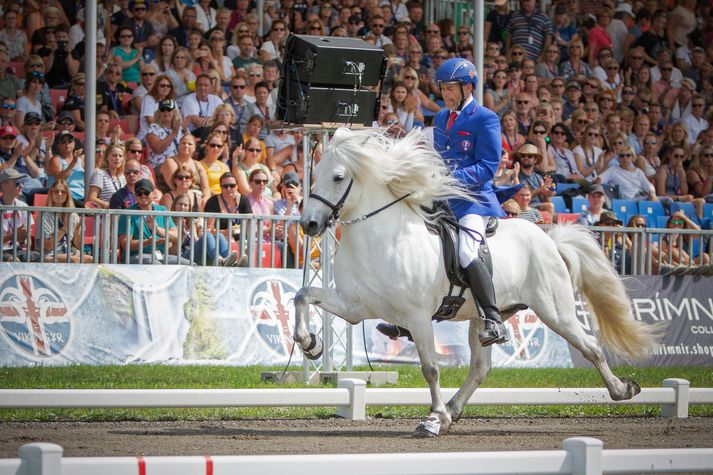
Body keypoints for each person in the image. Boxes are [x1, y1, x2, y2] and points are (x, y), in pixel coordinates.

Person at [377, 58, 508, 347]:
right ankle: (410, 318)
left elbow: (488, 166)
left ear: (467, 88)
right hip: (442, 195)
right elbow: (438, 157)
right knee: (413, 239)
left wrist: (450, 178)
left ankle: (492, 319)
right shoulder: (440, 118)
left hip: (473, 199)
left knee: (465, 252)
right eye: (443, 89)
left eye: (451, 89)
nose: (446, 95)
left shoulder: (485, 118)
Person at [117, 178, 189, 265]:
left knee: (189, 265)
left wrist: (157, 230)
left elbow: (176, 236)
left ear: (153, 193)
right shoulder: (128, 214)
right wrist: (148, 242)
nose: (143, 195)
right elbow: (125, 243)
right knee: (156, 266)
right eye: (139, 193)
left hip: (160, 255)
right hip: (137, 255)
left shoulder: (162, 210)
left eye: (146, 192)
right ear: (135, 195)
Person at [41, 179, 92, 263]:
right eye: (56, 191)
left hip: (70, 252)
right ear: (51, 193)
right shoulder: (45, 215)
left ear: (67, 194)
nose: (59, 194)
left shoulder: (73, 215)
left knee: (91, 259)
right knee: (74, 260)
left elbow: (78, 246)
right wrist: (64, 227)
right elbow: (48, 246)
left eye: (63, 192)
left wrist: (77, 231)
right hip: (50, 254)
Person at [1, 168, 39, 262]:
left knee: (38, 257)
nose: (21, 185)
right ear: (4, 186)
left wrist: (24, 241)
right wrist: (14, 235)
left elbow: (28, 241)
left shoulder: (23, 206)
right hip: (2, 250)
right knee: (13, 260)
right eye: (17, 183)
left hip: (17, 249)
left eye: (22, 182)